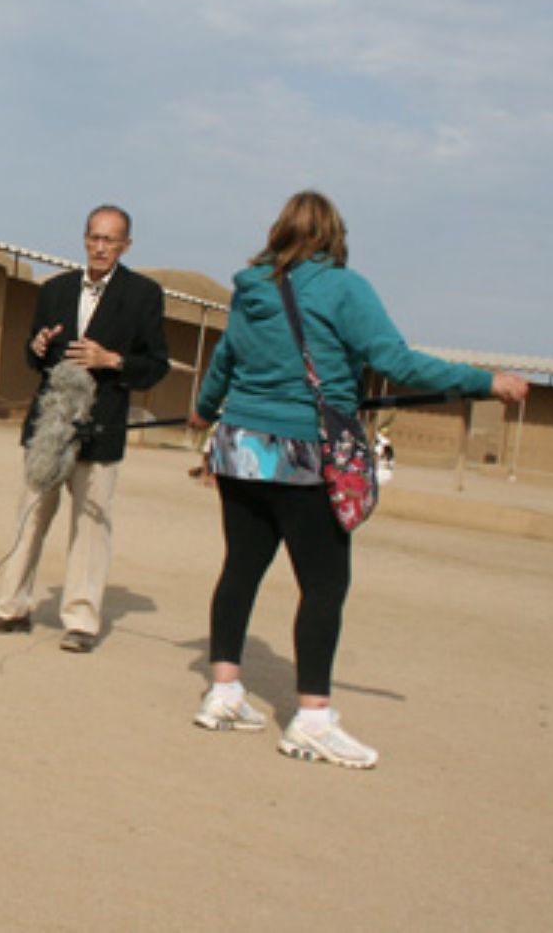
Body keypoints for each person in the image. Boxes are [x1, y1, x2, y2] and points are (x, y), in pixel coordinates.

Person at [186, 190, 528, 769]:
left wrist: (204, 408)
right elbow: (397, 360)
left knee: (241, 569)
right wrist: (484, 382)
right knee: (323, 586)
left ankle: (223, 693)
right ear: (334, 235)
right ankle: (313, 719)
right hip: (305, 456)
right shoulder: (345, 288)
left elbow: (226, 360)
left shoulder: (250, 288)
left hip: (240, 449)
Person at [0, 205, 170, 653]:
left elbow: (156, 365)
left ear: (126, 246)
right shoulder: (56, 289)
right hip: (49, 429)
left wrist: (112, 360)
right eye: (94, 237)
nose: (100, 247)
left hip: (101, 428)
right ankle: (10, 608)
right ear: (84, 239)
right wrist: (37, 346)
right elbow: (34, 356)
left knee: (90, 522)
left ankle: (81, 619)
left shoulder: (144, 295)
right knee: (31, 515)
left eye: (110, 240)